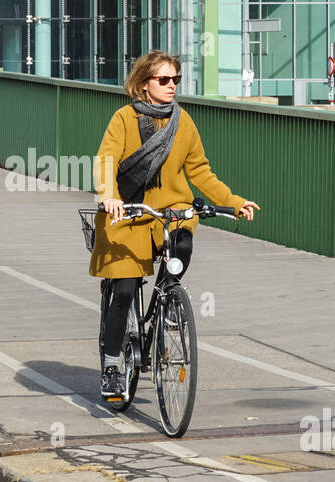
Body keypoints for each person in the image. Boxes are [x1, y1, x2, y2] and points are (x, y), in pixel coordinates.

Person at [88, 50, 260, 401]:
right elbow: (106, 159)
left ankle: (167, 300)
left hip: (171, 210)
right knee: (122, 290)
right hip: (129, 213)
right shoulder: (123, 119)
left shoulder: (184, 123)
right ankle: (110, 365)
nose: (171, 86)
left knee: (182, 242)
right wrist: (109, 195)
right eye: (163, 80)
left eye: (175, 80)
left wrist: (234, 201)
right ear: (143, 84)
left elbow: (200, 172)